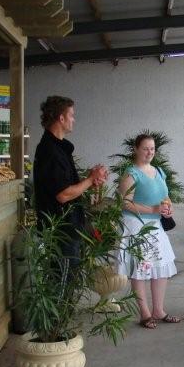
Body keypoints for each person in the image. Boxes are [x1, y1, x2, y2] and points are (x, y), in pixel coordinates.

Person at [33, 96, 107, 263]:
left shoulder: (58, 148)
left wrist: (90, 180)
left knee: (68, 276)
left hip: (67, 230)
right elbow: (63, 194)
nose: (74, 120)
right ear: (61, 118)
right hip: (60, 233)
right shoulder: (50, 151)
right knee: (64, 277)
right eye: (71, 115)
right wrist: (90, 179)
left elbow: (64, 185)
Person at [116, 134, 180, 329]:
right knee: (141, 268)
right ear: (136, 149)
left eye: (152, 149)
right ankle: (144, 313)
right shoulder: (131, 174)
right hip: (137, 226)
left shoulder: (158, 171)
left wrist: (168, 207)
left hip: (156, 225)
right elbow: (125, 203)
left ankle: (158, 310)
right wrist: (152, 209)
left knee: (160, 266)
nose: (149, 152)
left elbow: (165, 196)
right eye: (145, 148)